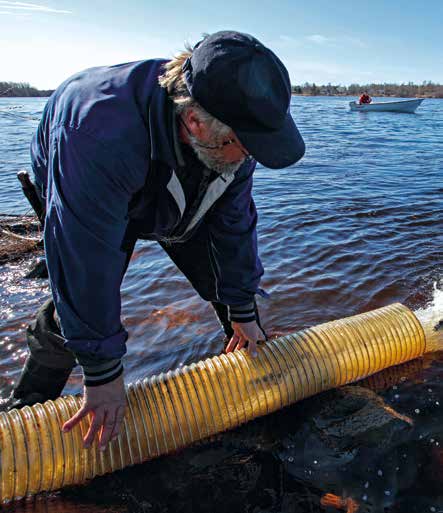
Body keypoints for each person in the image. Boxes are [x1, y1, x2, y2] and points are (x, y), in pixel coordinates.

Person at [1, 31, 305, 450]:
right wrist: (103, 372)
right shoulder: (96, 133)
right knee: (78, 293)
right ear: (196, 122)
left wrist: (242, 307)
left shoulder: (230, 130)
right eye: (244, 146)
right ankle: (25, 412)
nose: (250, 157)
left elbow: (233, 224)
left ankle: (250, 378)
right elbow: (84, 261)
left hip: (170, 164)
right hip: (92, 179)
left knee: (233, 295)